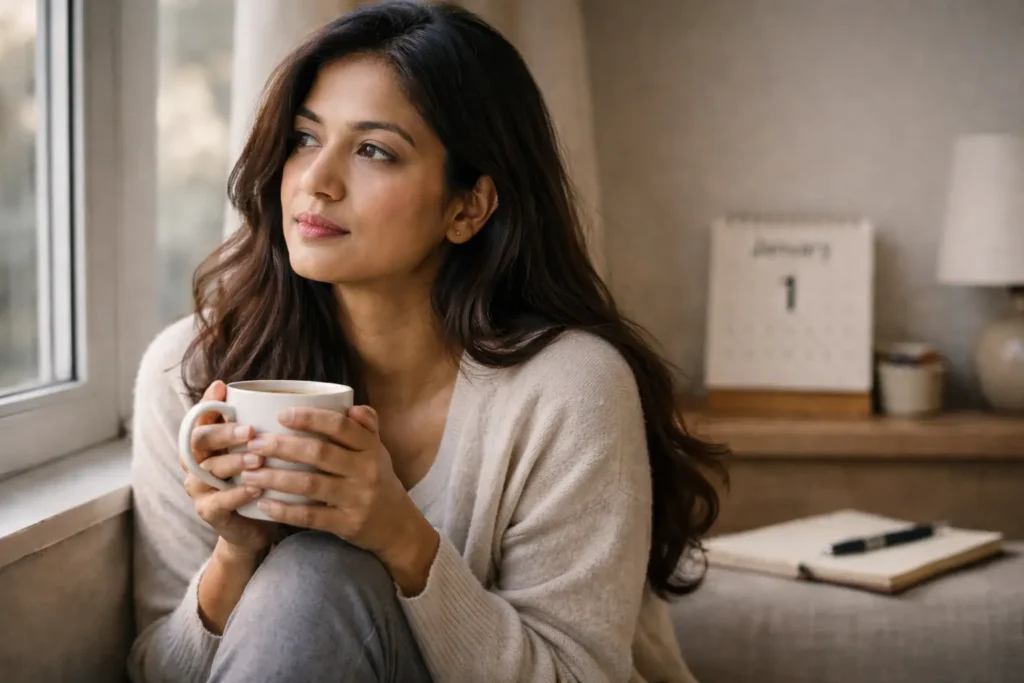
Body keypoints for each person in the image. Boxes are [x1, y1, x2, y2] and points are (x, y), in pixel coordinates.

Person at [127, 2, 728, 682]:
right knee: (306, 572)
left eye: (374, 150)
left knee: (315, 572)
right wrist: (235, 554)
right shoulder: (194, 373)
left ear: (468, 206)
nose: (316, 182)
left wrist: (398, 533)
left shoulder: (570, 390)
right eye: (303, 137)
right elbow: (160, 672)